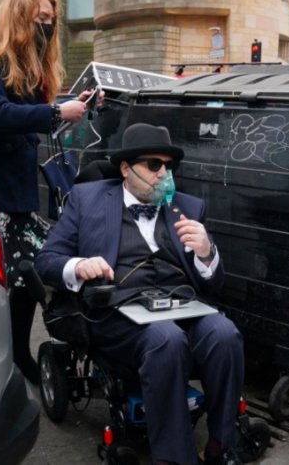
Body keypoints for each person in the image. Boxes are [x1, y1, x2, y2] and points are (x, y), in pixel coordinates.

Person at [36, 123, 245, 465]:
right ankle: (176, 458)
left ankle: (222, 445)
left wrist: (207, 253)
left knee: (225, 334)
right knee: (166, 340)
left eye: (168, 166)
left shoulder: (188, 207)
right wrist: (79, 265)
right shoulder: (88, 200)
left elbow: (214, 284)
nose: (164, 173)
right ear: (125, 169)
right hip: (118, 312)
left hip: (181, 304)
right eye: (154, 164)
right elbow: (46, 260)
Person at [0, 0, 94, 385]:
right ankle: (6, 356)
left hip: (23, 191)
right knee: (10, 284)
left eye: (51, 22)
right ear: (19, 17)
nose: (47, 27)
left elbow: (32, 120)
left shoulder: (32, 64)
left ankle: (16, 352)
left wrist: (75, 107)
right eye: (40, 19)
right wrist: (56, 112)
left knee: (24, 282)